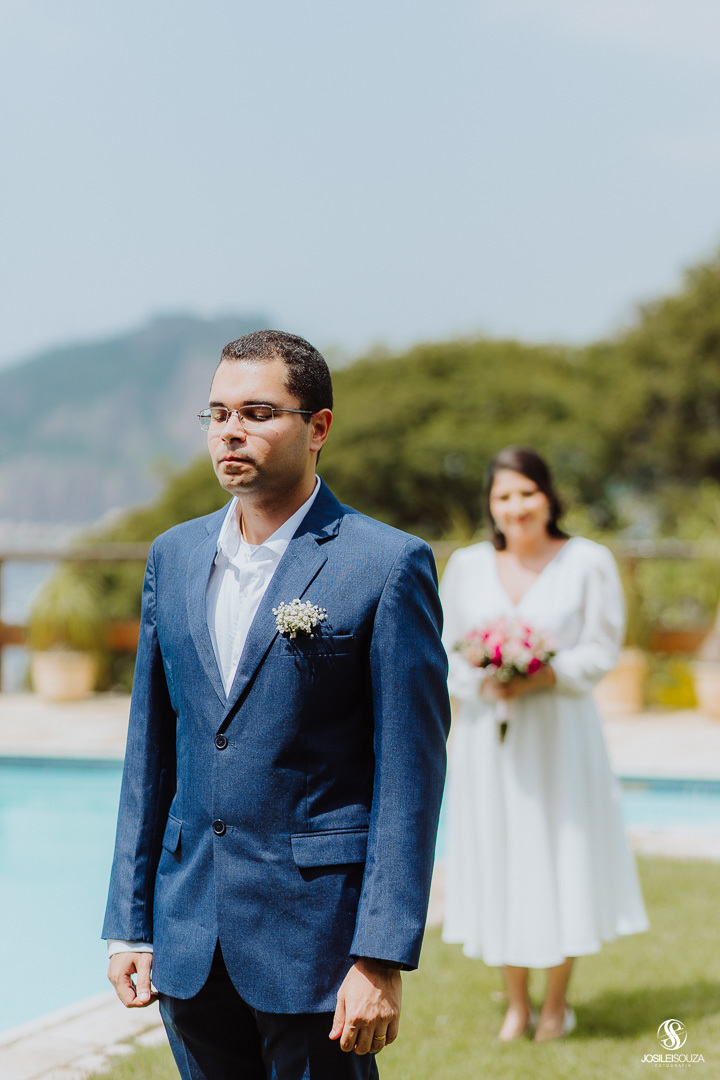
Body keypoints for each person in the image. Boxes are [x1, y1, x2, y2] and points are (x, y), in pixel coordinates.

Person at [103, 330, 450, 1080]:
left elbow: (410, 778)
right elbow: (150, 749)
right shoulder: (174, 555)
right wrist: (129, 925)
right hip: (191, 935)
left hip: (317, 945)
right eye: (218, 413)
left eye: (259, 412)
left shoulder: (387, 565)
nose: (231, 430)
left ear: (318, 426)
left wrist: (381, 955)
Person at [440, 446, 648, 1043]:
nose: (516, 506)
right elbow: (448, 651)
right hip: (490, 739)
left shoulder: (589, 561)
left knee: (561, 855)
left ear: (549, 497)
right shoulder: (468, 567)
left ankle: (556, 1003)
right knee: (501, 854)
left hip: (561, 733)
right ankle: (516, 1003)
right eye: (504, 496)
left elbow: (603, 647)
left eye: (527, 493)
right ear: (491, 505)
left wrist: (547, 674)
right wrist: (486, 681)